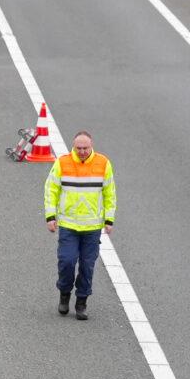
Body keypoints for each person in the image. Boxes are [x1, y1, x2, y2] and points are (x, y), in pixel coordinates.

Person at [44, 130, 115, 319]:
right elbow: (51, 189)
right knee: (66, 261)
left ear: (91, 146)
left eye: (85, 148)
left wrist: (109, 220)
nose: (82, 151)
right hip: (69, 225)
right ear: (73, 146)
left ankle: (82, 301)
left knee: (87, 265)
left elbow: (110, 194)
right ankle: (64, 294)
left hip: (92, 227)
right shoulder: (62, 163)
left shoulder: (103, 163)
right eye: (79, 148)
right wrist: (50, 216)